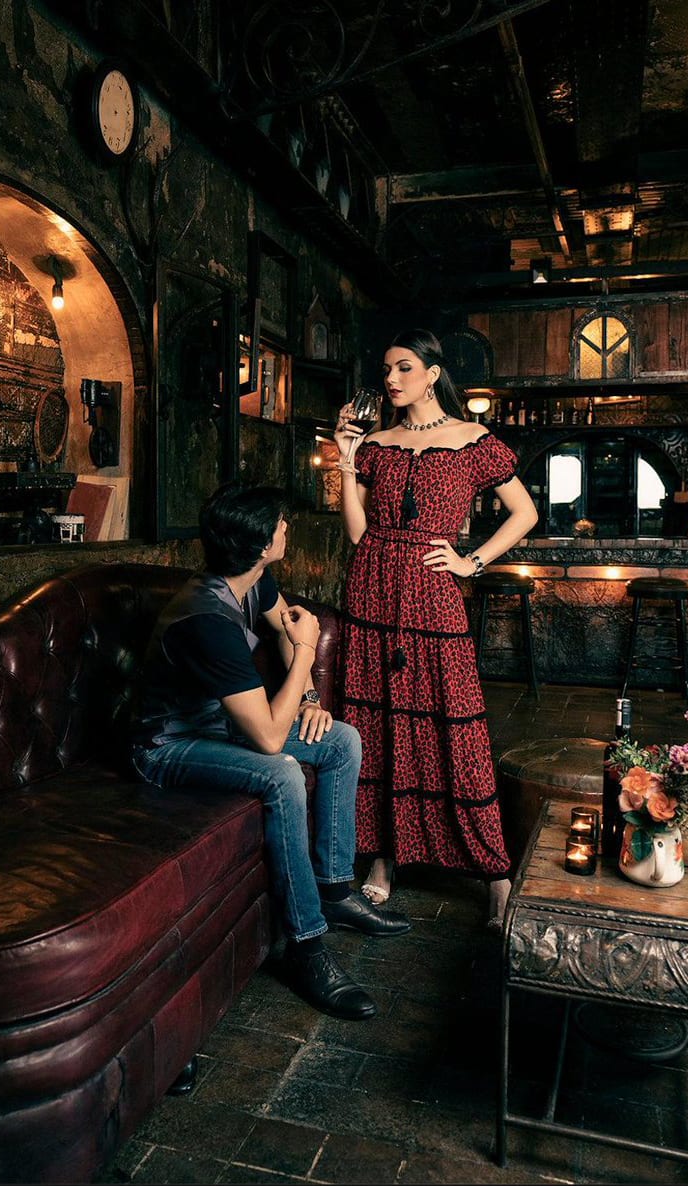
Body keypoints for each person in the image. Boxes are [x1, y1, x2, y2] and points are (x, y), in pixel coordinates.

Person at [130, 481, 411, 1022]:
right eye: (281, 524)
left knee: (342, 740)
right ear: (260, 545)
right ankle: (307, 947)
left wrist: (307, 696)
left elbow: (288, 625)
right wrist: (306, 652)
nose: (287, 528)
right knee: (281, 772)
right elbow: (264, 736)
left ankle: (333, 888)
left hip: (220, 726)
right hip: (168, 745)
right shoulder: (206, 618)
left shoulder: (251, 581)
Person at [333, 328, 539, 928]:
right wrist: (345, 462)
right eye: (386, 370)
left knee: (455, 721)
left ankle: (494, 871)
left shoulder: (474, 441)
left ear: (431, 373)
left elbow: (524, 513)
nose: (390, 380)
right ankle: (383, 860)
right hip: (372, 586)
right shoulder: (375, 443)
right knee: (376, 720)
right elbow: (354, 533)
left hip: (432, 591)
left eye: (403, 368)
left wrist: (471, 561)